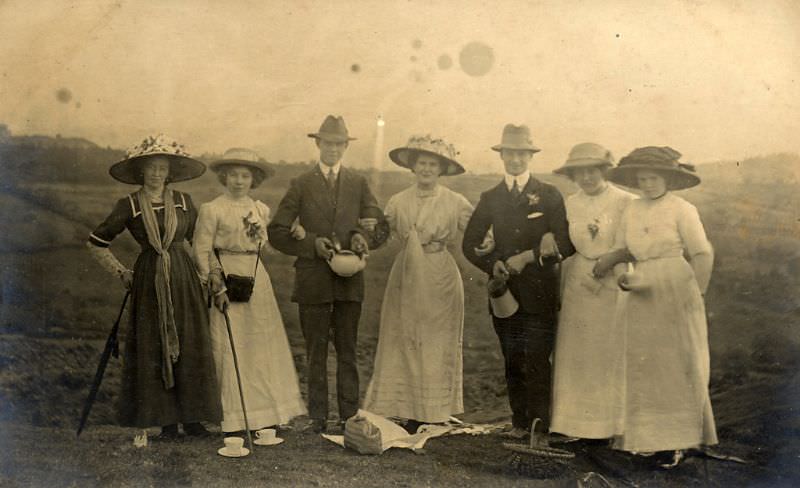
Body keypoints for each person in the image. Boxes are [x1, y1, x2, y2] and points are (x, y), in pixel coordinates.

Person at [86, 134, 221, 438]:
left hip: (184, 278)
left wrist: (210, 273)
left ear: (169, 172)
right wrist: (121, 272)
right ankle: (167, 422)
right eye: (151, 168)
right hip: (149, 280)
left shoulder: (185, 202)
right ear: (141, 172)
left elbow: (201, 242)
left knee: (190, 343)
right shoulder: (130, 205)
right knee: (154, 345)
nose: (157, 174)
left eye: (162, 168)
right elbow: (96, 242)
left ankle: (193, 419)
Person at [267, 115, 389, 433]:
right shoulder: (301, 184)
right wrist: (310, 244)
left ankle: (349, 417)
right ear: (317, 144)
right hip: (313, 280)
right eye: (328, 143)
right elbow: (277, 231)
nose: (333, 149)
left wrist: (365, 237)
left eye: (339, 144)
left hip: (350, 280)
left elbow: (377, 222)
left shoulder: (358, 183)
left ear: (346, 146)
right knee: (316, 351)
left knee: (348, 350)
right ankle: (318, 417)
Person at [363, 135, 492, 432]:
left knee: (435, 341)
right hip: (407, 274)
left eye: (433, 164)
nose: (426, 169)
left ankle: (432, 410)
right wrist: (368, 230)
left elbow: (478, 233)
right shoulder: (398, 201)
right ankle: (401, 406)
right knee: (403, 336)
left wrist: (489, 243)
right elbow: (378, 236)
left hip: (440, 277)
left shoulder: (455, 202)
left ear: (442, 169)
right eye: (421, 163)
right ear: (412, 166)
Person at [462, 124, 574, 442]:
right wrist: (490, 262)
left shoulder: (549, 195)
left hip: (540, 292)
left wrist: (530, 255)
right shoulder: (491, 197)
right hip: (505, 293)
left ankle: (540, 427)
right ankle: (519, 423)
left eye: (521, 153)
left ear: (530, 155)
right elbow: (469, 243)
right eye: (510, 153)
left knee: (538, 358)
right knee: (513, 358)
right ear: (502, 156)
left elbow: (566, 243)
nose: (515, 159)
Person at [607, 146, 717, 467]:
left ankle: (677, 442)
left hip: (674, 284)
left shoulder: (682, 209)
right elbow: (619, 250)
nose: (648, 184)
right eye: (641, 179)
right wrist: (621, 277)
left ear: (668, 178)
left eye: (654, 178)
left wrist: (695, 294)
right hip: (640, 287)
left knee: (674, 364)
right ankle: (647, 440)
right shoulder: (630, 210)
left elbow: (702, 254)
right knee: (644, 364)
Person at [193, 148, 307, 436]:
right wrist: (215, 285)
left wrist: (295, 232)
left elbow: (262, 244)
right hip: (227, 275)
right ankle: (231, 417)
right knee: (230, 345)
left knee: (260, 343)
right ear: (224, 177)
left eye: (245, 176)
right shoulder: (212, 209)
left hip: (256, 276)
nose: (239, 181)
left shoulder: (260, 209)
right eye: (233, 175)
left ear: (253, 179)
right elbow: (202, 250)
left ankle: (264, 415)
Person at [549, 143, 636, 441]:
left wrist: (612, 260)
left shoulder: (626, 201)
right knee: (577, 352)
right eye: (579, 172)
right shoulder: (571, 203)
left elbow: (638, 243)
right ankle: (574, 425)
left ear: (603, 170)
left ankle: (609, 428)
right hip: (578, 282)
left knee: (607, 352)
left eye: (592, 170)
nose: (586, 177)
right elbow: (566, 242)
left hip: (614, 279)